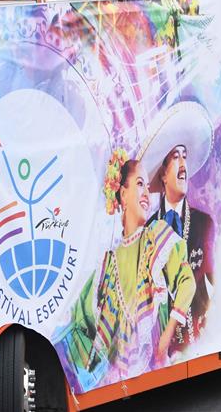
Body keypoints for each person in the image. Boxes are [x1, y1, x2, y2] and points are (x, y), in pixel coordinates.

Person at [65, 154, 196, 384]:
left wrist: (165, 339)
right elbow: (79, 321)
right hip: (122, 383)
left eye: (147, 186)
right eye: (139, 184)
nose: (146, 192)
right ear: (123, 195)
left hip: (160, 373)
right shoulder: (108, 264)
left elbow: (187, 283)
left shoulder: (158, 235)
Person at [141, 107, 216, 347]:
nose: (184, 164)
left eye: (185, 155)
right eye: (176, 157)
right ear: (162, 174)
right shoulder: (148, 231)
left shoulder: (204, 224)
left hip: (202, 340)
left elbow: (216, 288)